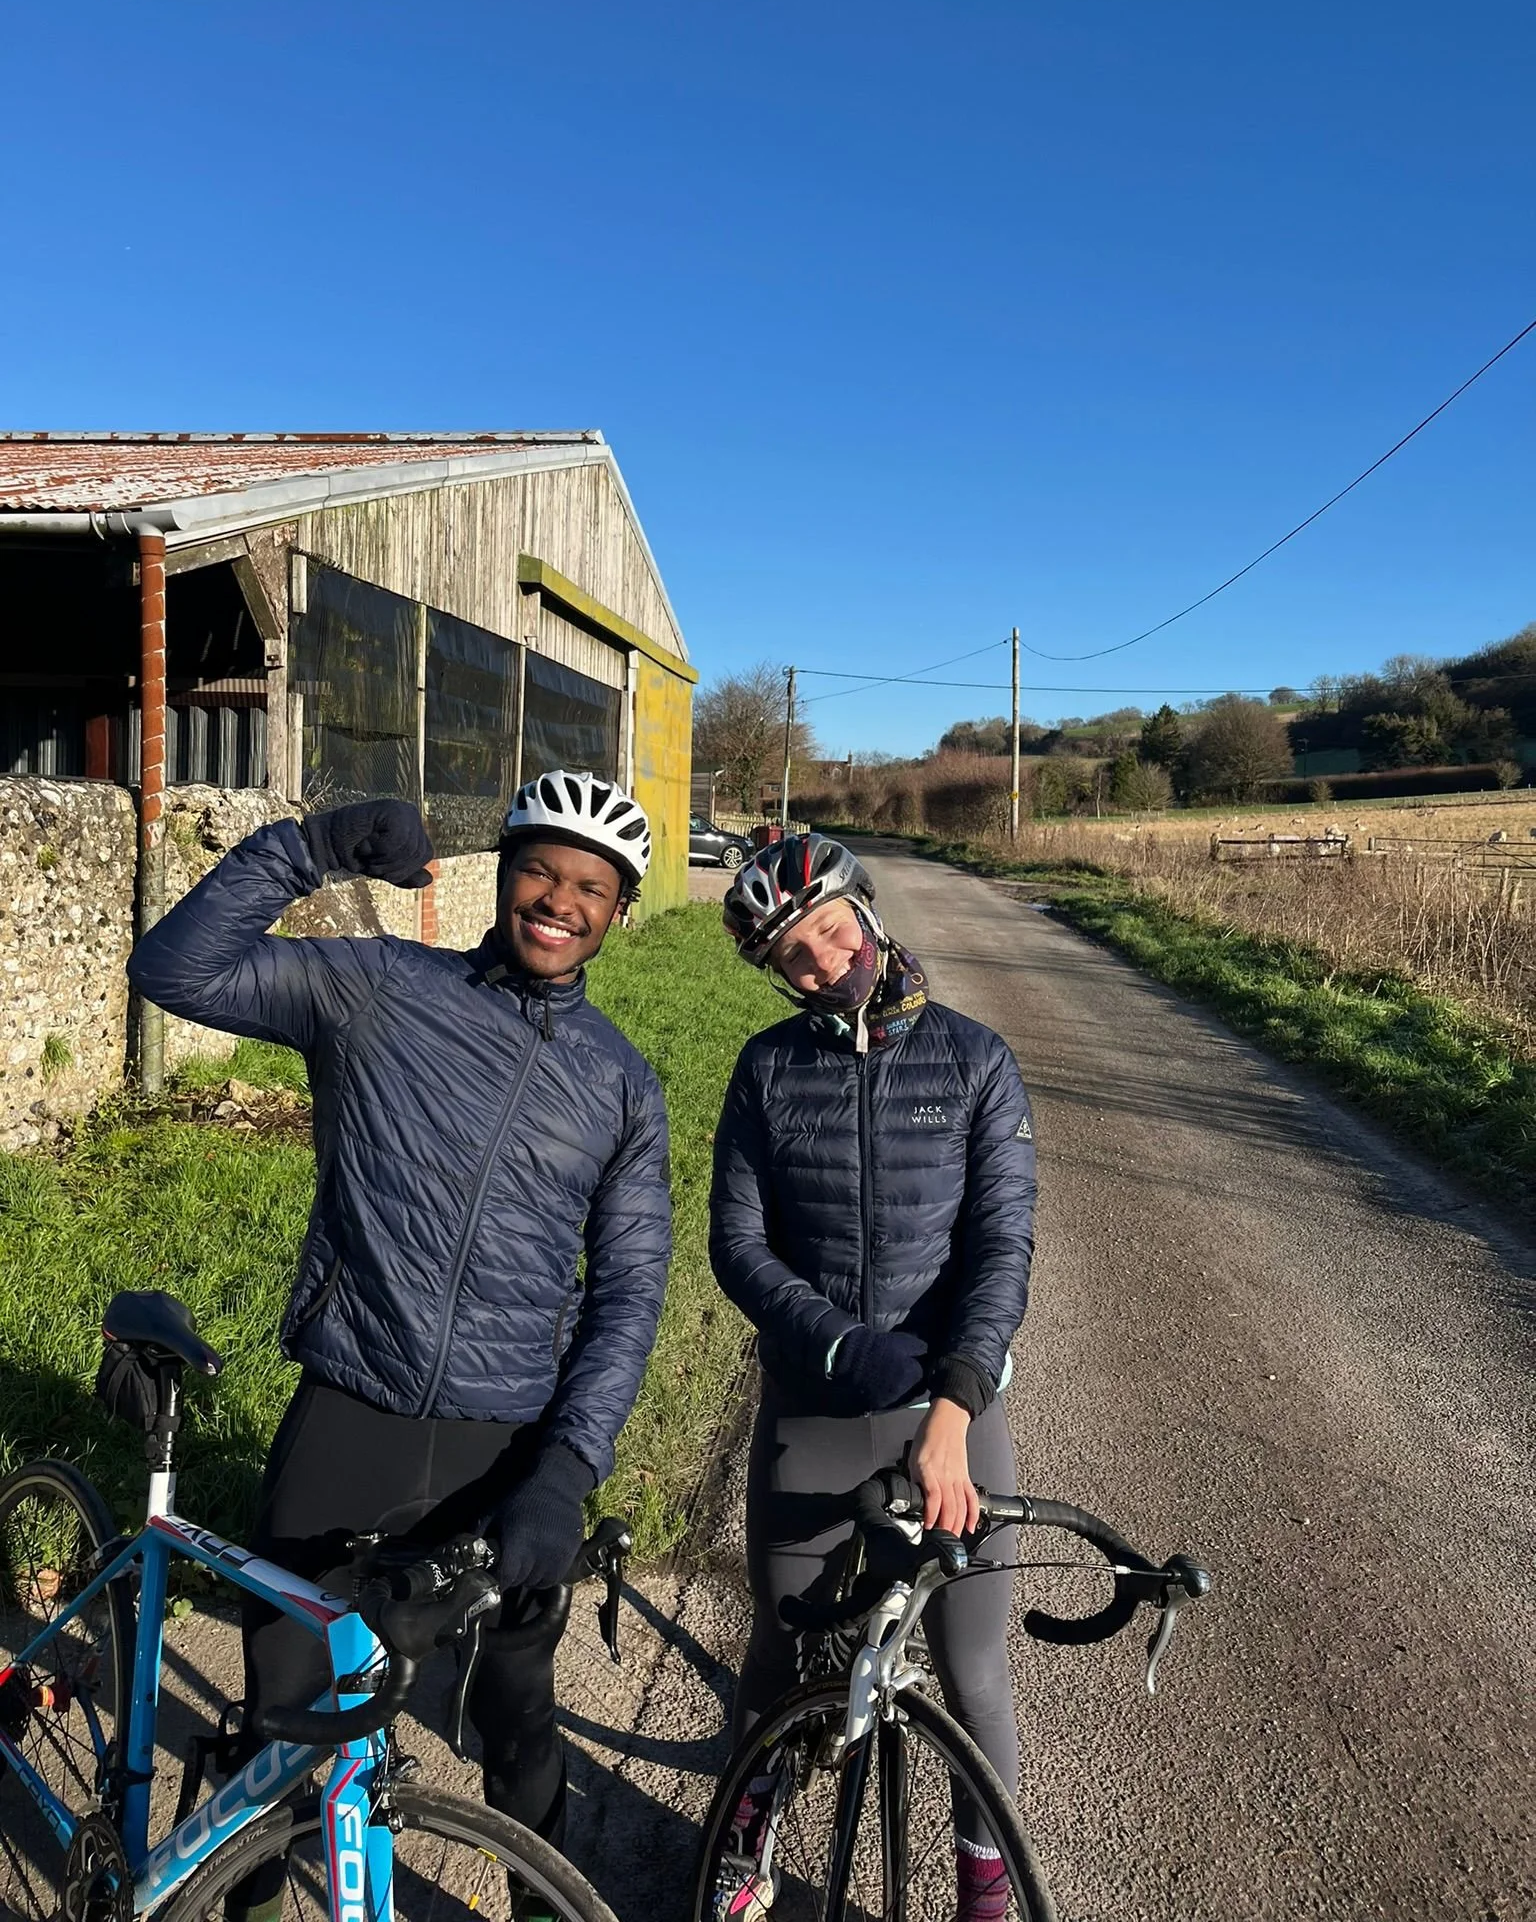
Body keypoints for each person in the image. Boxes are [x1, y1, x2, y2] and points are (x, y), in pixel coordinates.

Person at [127, 771, 672, 1913]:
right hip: (353, 1407)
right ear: (503, 872)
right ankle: (253, 1890)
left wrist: (569, 1465)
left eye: (591, 886)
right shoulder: (376, 985)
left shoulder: (621, 1081)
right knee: (284, 1699)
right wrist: (310, 846)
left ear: (618, 912)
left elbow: (629, 1288)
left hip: (507, 1442)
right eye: (539, 869)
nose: (557, 901)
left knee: (520, 1725)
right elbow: (172, 969)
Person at [709, 834, 1036, 1922]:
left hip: (946, 1413)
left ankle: (985, 1883)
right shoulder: (766, 1069)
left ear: (869, 910)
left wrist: (952, 1405)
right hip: (817, 1401)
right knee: (781, 1635)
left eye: (834, 931)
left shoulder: (975, 1058)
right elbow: (739, 1247)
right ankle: (742, 1836)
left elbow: (1002, 1250)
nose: (825, 963)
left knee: (970, 1661)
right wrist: (842, 1343)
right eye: (795, 957)